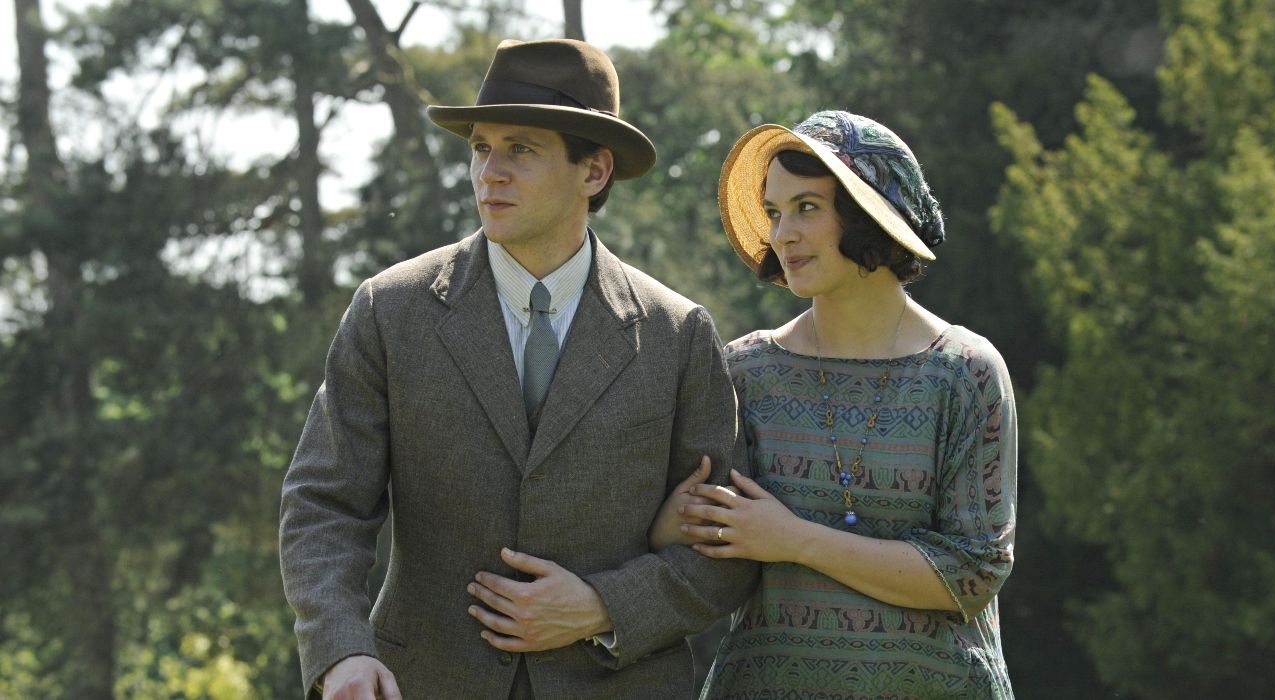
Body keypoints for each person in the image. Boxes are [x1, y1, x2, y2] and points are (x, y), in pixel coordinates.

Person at [279, 38, 757, 699]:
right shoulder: (390, 311)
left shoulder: (678, 335)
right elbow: (323, 504)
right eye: (481, 147)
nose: (489, 172)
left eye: (520, 150)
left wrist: (603, 605)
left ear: (594, 173)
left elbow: (725, 550)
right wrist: (341, 651)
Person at [651, 110, 1018, 698]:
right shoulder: (745, 370)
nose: (782, 234)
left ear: (868, 216)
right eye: (774, 213)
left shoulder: (965, 372)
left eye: (807, 208)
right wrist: (672, 521)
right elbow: (700, 550)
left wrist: (795, 539)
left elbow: (973, 573)